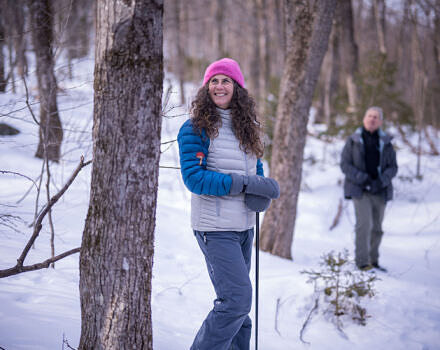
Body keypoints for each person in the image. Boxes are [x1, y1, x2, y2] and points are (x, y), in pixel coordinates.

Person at [177, 58, 280, 350]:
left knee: (239, 307)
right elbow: (194, 179)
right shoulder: (195, 129)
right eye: (214, 81)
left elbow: (255, 173)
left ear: (237, 88)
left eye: (226, 81)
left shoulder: (248, 128)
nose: (220, 86)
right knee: (236, 301)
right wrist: (243, 184)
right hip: (214, 228)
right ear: (206, 88)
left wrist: (259, 193)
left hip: (244, 227)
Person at [341, 106, 398, 272]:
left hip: (380, 189)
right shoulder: (353, 140)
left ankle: (374, 261)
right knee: (364, 225)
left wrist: (381, 181)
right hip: (360, 190)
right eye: (369, 116)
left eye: (376, 117)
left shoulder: (386, 142)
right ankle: (362, 262)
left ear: (380, 122)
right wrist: (363, 179)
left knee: (377, 228)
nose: (372, 119)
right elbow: (345, 165)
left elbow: (393, 167)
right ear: (364, 119)